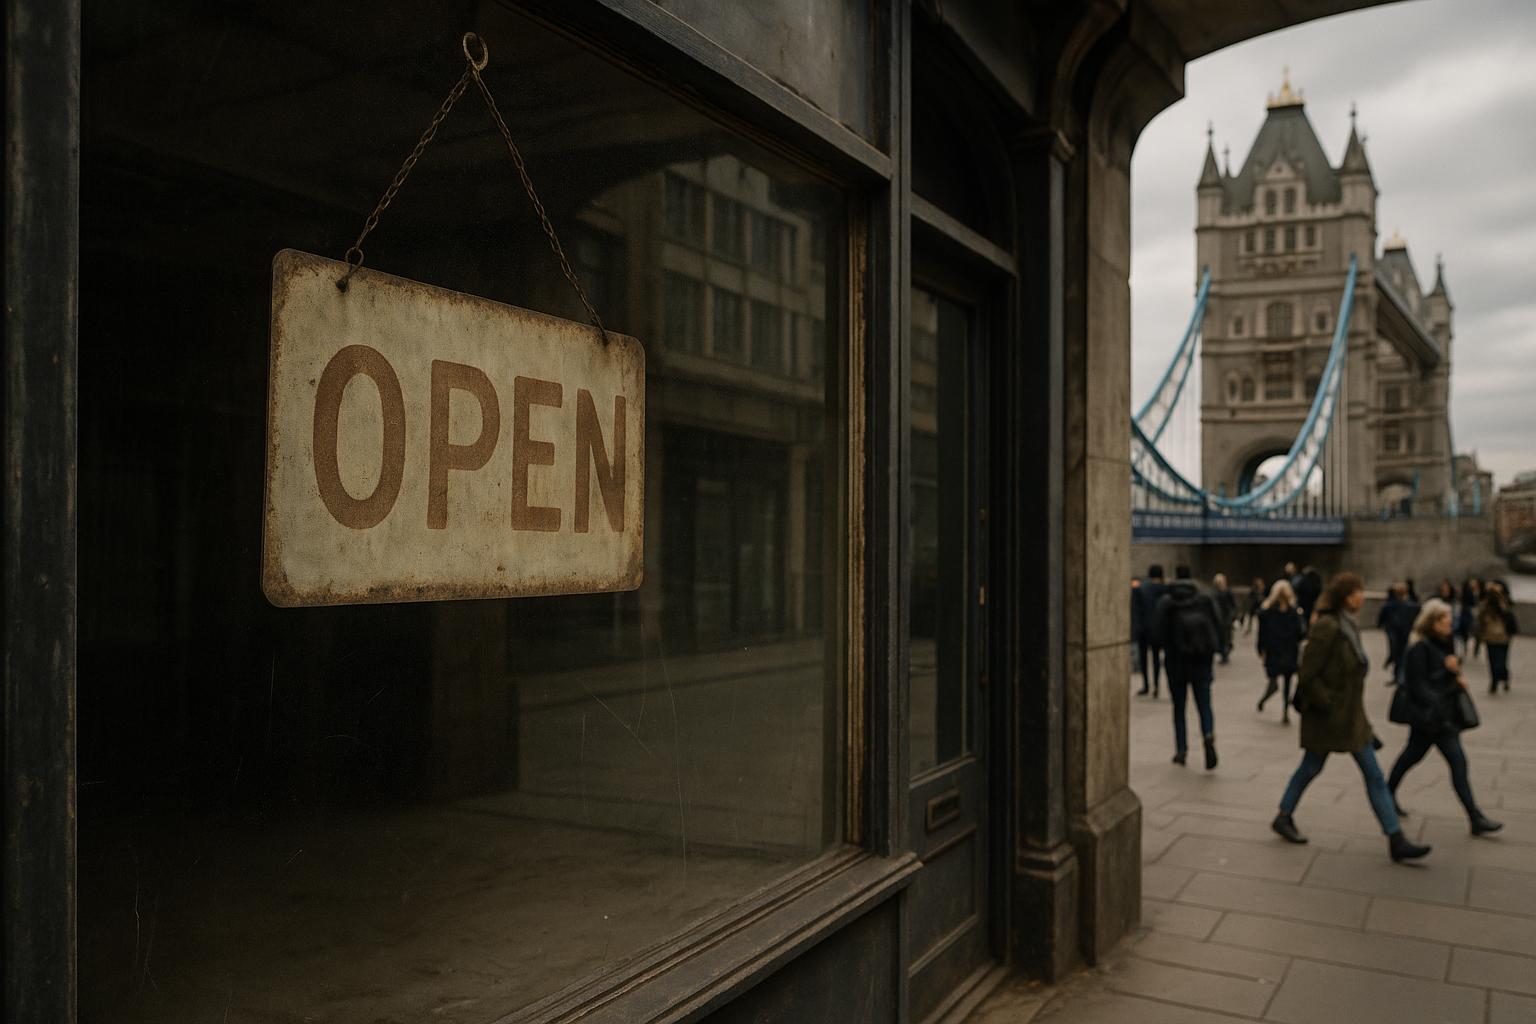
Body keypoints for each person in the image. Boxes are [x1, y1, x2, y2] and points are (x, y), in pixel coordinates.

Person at [1271, 571, 1431, 862]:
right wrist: (1328, 703)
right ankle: (1284, 816)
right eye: (1359, 591)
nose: (1362, 596)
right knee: (1315, 768)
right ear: (1347, 596)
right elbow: (1307, 674)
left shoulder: (1347, 625)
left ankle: (1395, 838)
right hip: (1330, 717)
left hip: (1350, 719)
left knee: (1368, 775)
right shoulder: (1328, 627)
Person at [1387, 598, 1503, 835]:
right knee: (1452, 761)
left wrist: (1453, 674)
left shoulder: (1445, 643)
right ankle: (1475, 817)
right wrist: (1448, 674)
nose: (1450, 622)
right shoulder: (1419, 648)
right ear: (1432, 622)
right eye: (1444, 619)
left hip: (1440, 717)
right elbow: (1419, 687)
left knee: (1413, 756)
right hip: (1432, 719)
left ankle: (1386, 794)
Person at [1154, 566, 1221, 769]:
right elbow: (1218, 624)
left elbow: (1157, 633)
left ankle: (1181, 750)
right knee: (1204, 704)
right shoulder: (1205, 598)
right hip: (1201, 661)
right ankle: (1208, 735)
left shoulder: (1168, 602)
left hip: (1176, 662)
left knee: (1179, 708)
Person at [1256, 579, 1307, 724]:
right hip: (1280, 650)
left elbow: (1300, 633)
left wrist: (1261, 648)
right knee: (1277, 683)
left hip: (1282, 650)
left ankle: (1283, 709)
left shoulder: (1280, 612)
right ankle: (1265, 701)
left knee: (1285, 682)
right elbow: (1300, 633)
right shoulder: (1282, 612)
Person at [1478, 580, 1518, 693]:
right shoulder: (1486, 602)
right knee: (1491, 660)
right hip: (1490, 636)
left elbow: (1507, 611)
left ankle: (1504, 677)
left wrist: (1500, 595)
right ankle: (1494, 681)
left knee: (1501, 661)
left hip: (1503, 637)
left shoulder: (1504, 600)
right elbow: (1481, 612)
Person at [1377, 582, 1419, 686]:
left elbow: (1382, 618)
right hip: (1405, 633)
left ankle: (1399, 676)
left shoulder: (1391, 605)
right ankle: (1401, 676)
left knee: (1398, 655)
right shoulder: (1412, 605)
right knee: (1403, 655)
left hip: (1396, 633)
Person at [1137, 565, 1168, 698]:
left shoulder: (1142, 589)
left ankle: (1146, 685)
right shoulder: (1165, 590)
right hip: (1160, 628)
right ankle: (1156, 684)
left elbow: (1137, 610)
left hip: (1144, 628)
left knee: (1143, 658)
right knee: (1157, 658)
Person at [1212, 573, 1237, 664]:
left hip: (1226, 617)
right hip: (1219, 618)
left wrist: (1232, 616)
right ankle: (1224, 653)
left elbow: (1233, 605)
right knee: (1221, 637)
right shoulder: (1214, 593)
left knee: (1226, 637)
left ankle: (1225, 652)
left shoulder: (1228, 592)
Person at [1457, 578, 1482, 657]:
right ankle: (1465, 646)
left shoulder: (1481, 592)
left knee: (1478, 633)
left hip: (1478, 615)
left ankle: (1476, 649)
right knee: (1466, 631)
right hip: (1468, 614)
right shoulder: (1466, 592)